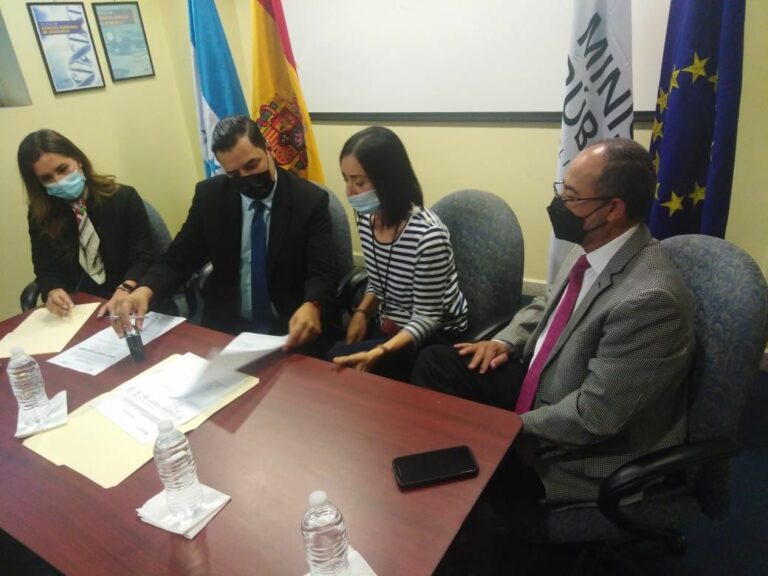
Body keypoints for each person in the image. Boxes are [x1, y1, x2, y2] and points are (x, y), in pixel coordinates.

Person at [412, 138, 695, 510]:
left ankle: (459, 502)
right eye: (562, 189)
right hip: (546, 379)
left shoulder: (650, 299)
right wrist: (504, 342)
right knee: (437, 363)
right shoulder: (593, 242)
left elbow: (595, 415)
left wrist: (502, 427)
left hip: (580, 448)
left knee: (478, 483)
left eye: (571, 196)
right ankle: (440, 472)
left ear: (613, 209)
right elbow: (549, 302)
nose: (559, 203)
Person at [108, 115, 337, 351]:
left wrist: (313, 304)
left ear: (268, 149)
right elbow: (179, 257)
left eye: (252, 165)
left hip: (291, 327)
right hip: (228, 327)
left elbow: (322, 273)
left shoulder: (308, 200)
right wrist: (144, 290)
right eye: (234, 174)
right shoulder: (211, 196)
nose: (246, 178)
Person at [330, 126, 468, 381]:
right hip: (392, 324)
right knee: (334, 363)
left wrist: (380, 352)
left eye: (359, 182)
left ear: (388, 180)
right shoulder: (367, 218)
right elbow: (379, 279)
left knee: (348, 376)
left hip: (433, 336)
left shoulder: (428, 236)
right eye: (345, 179)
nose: (349, 191)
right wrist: (361, 313)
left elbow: (427, 318)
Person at [17, 129, 153, 317]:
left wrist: (125, 289)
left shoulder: (123, 198)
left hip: (131, 297)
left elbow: (143, 257)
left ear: (78, 160)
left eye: (62, 169)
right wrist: (53, 290)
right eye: (47, 178)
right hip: (80, 309)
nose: (59, 181)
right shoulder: (40, 215)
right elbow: (44, 268)